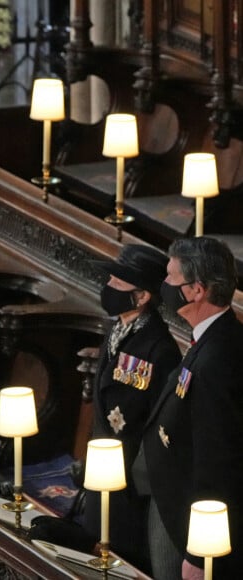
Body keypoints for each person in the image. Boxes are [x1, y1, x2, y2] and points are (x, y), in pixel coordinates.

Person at [141, 236, 243, 579]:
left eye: (171, 279)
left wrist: (199, 554)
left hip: (190, 523)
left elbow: (216, 460)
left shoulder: (219, 356)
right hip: (174, 505)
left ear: (196, 290)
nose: (165, 286)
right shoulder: (213, 338)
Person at [82, 244, 181, 572]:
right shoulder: (117, 331)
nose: (108, 288)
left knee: (120, 561)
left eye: (118, 284)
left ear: (142, 297)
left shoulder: (160, 350)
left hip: (127, 484)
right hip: (102, 471)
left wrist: (134, 479)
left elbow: (158, 426)